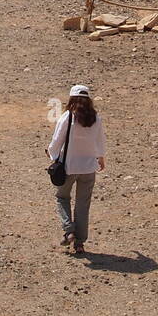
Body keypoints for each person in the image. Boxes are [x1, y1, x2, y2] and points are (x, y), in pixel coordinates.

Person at [47, 85, 106, 257]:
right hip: (88, 168)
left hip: (69, 167)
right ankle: (79, 243)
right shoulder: (96, 118)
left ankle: (69, 231)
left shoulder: (68, 117)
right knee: (83, 204)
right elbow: (100, 140)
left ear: (72, 98)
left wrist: (52, 155)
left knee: (62, 197)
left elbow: (57, 140)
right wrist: (101, 157)